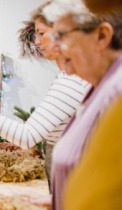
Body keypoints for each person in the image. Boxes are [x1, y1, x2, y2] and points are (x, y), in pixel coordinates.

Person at [0, 2, 90, 200]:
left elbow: (27, 136)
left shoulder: (73, 80)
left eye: (41, 33)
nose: (37, 42)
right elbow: (46, 128)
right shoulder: (66, 76)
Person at [43, 0, 122, 209]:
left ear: (101, 36)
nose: (53, 47)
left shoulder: (118, 91)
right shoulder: (98, 87)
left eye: (61, 35)